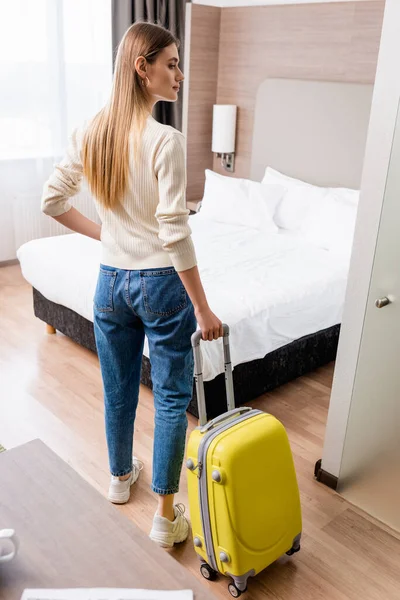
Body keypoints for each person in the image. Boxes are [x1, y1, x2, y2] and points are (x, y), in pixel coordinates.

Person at [41, 22, 222, 548]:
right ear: (142, 69)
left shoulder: (92, 130)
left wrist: (107, 235)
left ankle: (121, 480)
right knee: (170, 399)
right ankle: (166, 517)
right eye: (171, 64)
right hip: (162, 286)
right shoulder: (165, 140)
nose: (180, 75)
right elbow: (174, 231)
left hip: (110, 284)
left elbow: (52, 200)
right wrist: (204, 309)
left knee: (117, 390)